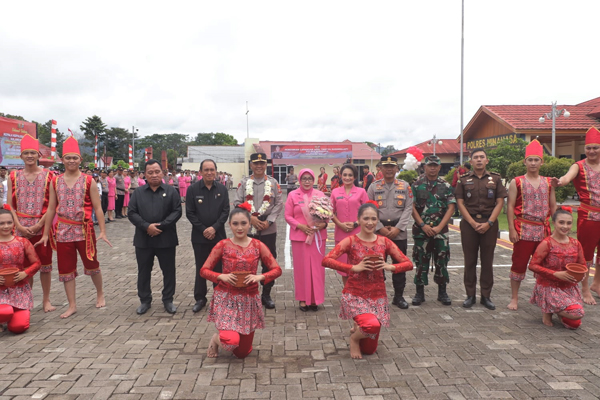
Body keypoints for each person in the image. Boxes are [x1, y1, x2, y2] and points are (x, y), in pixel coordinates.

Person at [322, 202, 413, 359]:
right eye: (366, 219)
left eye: (373, 219)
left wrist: (389, 266)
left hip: (377, 296)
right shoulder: (351, 241)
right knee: (372, 325)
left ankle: (360, 326)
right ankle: (354, 339)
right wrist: (353, 268)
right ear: (359, 220)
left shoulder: (384, 242)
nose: (370, 222)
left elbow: (408, 264)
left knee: (370, 350)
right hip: (355, 295)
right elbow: (326, 260)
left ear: (378, 220)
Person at [36, 136, 110, 319]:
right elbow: (51, 208)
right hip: (63, 231)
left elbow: (98, 207)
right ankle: (72, 305)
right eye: (68, 157)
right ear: (62, 159)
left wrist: (102, 231)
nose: (71, 161)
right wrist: (46, 233)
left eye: (74, 157)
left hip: (84, 229)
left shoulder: (88, 181)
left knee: (92, 264)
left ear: (80, 160)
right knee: (66, 268)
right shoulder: (55, 181)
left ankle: (100, 293)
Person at [201, 205, 282, 358]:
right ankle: (216, 339)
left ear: (249, 224)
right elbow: (204, 271)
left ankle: (232, 340)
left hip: (248, 300)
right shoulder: (222, 245)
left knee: (242, 353)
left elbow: (276, 269)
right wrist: (220, 276)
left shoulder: (258, 245)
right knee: (230, 342)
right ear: (229, 225)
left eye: (243, 223)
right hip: (226, 299)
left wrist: (259, 277)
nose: (239, 228)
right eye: (235, 224)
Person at [551, 126, 600, 305]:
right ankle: (585, 288)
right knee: (585, 254)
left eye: (596, 147)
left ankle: (597, 283)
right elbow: (567, 177)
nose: (592, 151)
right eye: (589, 148)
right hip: (589, 216)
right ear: (584, 149)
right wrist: (560, 182)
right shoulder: (578, 166)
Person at [6, 134, 55, 312]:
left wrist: (39, 225)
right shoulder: (13, 176)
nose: (29, 156)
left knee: (44, 264)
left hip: (42, 227)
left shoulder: (49, 176)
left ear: (38, 155)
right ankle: (26, 299)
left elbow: (52, 205)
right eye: (26, 153)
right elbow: (9, 205)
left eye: (32, 153)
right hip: (19, 227)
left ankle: (47, 299)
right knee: (24, 266)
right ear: (21, 156)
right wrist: (18, 226)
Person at [506, 140, 556, 310]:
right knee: (518, 264)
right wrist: (512, 229)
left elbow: (553, 206)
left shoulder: (549, 182)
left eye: (536, 160)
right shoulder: (517, 182)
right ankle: (514, 297)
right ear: (524, 162)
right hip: (523, 229)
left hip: (543, 230)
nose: (533, 163)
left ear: (542, 162)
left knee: (545, 265)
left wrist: (555, 229)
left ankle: (543, 296)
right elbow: (510, 206)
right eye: (530, 160)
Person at [128, 159, 182, 315]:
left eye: (157, 171)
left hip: (166, 238)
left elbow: (177, 211)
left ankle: (168, 300)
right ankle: (145, 300)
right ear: (145, 174)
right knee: (144, 271)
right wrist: (147, 226)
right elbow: (132, 213)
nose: (154, 175)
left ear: (162, 173)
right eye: (150, 172)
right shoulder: (138, 192)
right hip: (143, 239)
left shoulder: (171, 191)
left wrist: (161, 226)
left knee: (168, 271)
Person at [455, 148, 506, 310]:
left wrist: (489, 223)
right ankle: (470, 295)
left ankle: (486, 296)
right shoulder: (463, 180)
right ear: (470, 161)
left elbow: (500, 202)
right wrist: (471, 222)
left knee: (487, 261)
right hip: (469, 225)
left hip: (489, 224)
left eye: (481, 157)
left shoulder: (495, 179)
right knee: (469, 261)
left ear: (487, 161)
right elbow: (460, 203)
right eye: (475, 157)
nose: (478, 160)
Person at [233, 153, 283, 309]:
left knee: (269, 263)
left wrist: (269, 221)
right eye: (256, 163)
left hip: (268, 228)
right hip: (248, 229)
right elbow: (237, 203)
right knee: (246, 262)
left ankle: (266, 294)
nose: (259, 166)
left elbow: (279, 204)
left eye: (262, 163)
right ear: (251, 165)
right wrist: (251, 219)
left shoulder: (273, 183)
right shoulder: (244, 183)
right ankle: (247, 293)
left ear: (266, 165)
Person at [367, 156, 413, 309]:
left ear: (396, 169)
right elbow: (369, 208)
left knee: (399, 265)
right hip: (378, 233)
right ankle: (377, 297)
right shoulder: (373, 187)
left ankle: (398, 297)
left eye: (391, 166)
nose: (388, 169)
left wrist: (398, 228)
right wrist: (379, 227)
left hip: (398, 232)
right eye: (385, 166)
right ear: (380, 168)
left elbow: (408, 208)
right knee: (376, 266)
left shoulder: (405, 186)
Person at [529, 207, 585, 329]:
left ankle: (553, 309)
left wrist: (580, 274)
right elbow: (532, 265)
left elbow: (583, 265)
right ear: (553, 223)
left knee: (574, 324)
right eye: (561, 222)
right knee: (577, 314)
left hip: (569, 287)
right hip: (549, 287)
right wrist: (555, 274)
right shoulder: (547, 243)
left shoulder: (576, 243)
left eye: (569, 223)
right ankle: (548, 309)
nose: (565, 226)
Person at [410, 155, 456, 306]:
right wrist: (423, 225)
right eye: (430, 165)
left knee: (442, 260)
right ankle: (419, 292)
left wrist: (439, 227)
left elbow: (451, 207)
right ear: (425, 167)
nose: (432, 168)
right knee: (420, 261)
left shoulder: (445, 185)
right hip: (421, 231)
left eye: (435, 165)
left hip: (440, 231)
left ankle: (442, 292)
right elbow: (412, 207)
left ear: (439, 167)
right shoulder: (416, 185)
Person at [186, 159, 230, 313]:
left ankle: (219, 298)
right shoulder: (192, 189)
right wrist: (204, 229)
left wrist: (214, 228)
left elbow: (225, 212)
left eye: (212, 169)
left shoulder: (222, 189)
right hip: (199, 236)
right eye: (206, 170)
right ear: (201, 172)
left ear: (216, 171)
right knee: (201, 267)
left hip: (218, 236)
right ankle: (200, 298)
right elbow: (190, 213)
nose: (210, 172)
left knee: (218, 268)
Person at [285, 169, 329, 311]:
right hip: (300, 237)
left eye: (310, 178)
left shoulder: (320, 195)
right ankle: (303, 299)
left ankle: (316, 299)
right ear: (299, 179)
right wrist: (301, 226)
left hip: (317, 237)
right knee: (301, 269)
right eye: (304, 178)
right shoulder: (292, 195)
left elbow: (327, 214)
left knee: (317, 269)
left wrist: (323, 224)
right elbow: (288, 216)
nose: (307, 181)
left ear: (314, 179)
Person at [0, 206, 42, 334]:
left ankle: (10, 317)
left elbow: (37, 263)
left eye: (9, 222)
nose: (6, 226)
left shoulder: (22, 242)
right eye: (1, 223)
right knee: (5, 312)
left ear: (14, 223)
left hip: (20, 290)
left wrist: (25, 273)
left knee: (19, 327)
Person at [330, 164, 369, 286]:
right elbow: (330, 211)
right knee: (345, 268)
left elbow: (368, 211)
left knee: (359, 264)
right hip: (341, 234)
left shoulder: (361, 192)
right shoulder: (335, 192)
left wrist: (356, 223)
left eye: (350, 175)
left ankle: (358, 293)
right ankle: (348, 294)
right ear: (341, 176)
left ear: (355, 177)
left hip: (358, 233)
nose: (347, 177)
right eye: (345, 175)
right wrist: (339, 224)